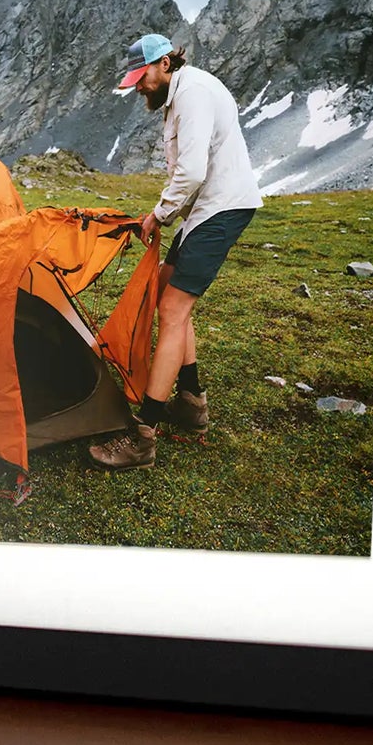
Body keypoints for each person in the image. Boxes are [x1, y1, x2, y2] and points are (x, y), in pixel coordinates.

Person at [90, 33, 263, 471]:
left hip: (222, 207)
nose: (138, 87)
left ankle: (143, 436)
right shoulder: (180, 95)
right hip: (204, 210)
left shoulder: (195, 95)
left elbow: (191, 170)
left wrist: (158, 215)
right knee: (169, 287)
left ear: (164, 63)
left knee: (172, 312)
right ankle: (190, 402)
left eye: (142, 76)